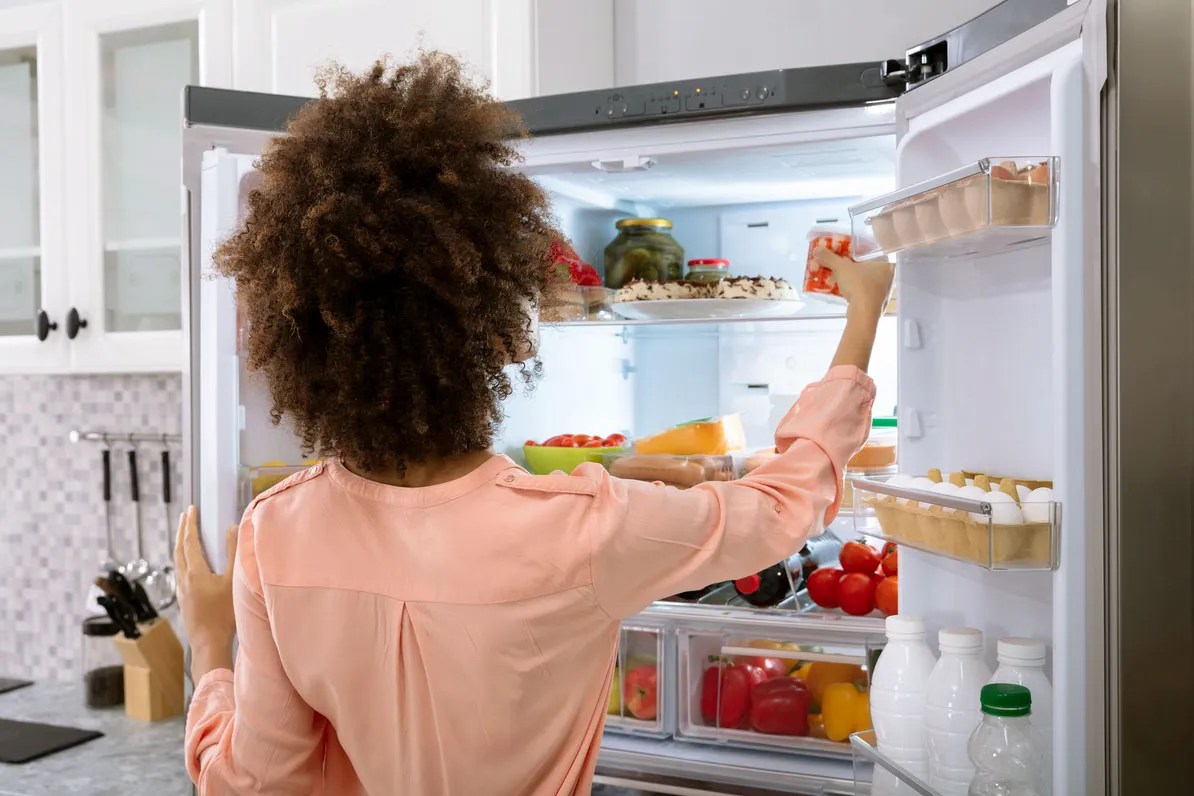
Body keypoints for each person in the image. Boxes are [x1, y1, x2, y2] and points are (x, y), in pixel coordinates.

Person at [176, 53, 893, 796]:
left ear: (300, 339)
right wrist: (863, 313)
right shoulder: (583, 528)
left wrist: (208, 646)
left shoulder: (274, 533)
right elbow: (778, 513)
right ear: (495, 330)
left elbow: (258, 784)